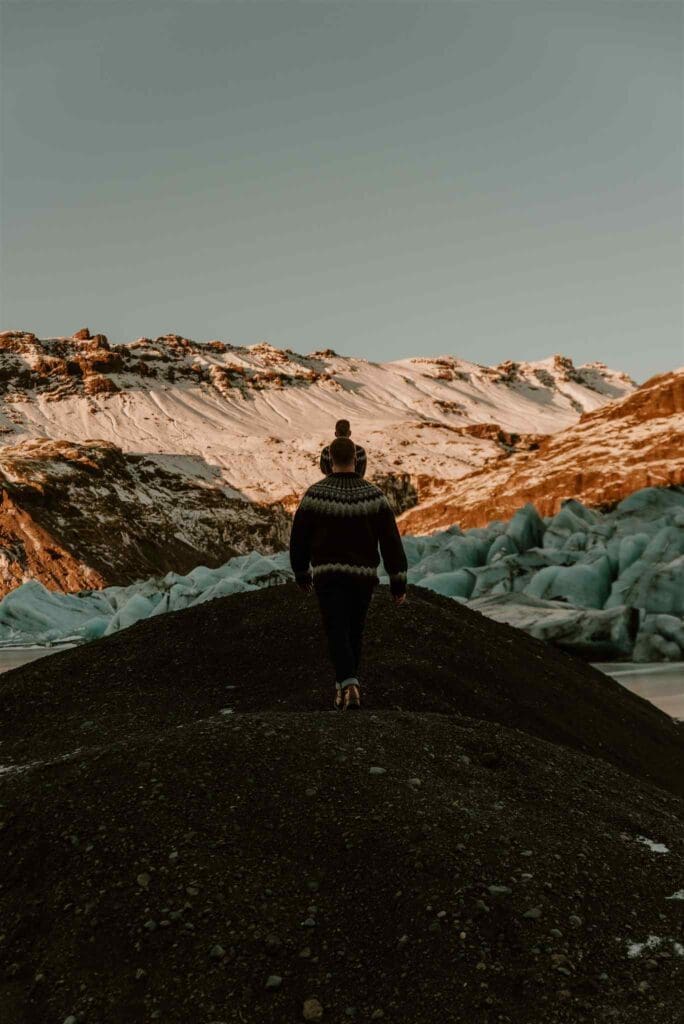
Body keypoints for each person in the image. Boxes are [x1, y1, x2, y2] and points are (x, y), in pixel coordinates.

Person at [290, 435, 407, 711]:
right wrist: (398, 581)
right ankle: (346, 687)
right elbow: (391, 540)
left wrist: (301, 571)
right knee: (355, 630)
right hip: (364, 576)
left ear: (329, 460)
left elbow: (299, 537)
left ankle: (347, 684)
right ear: (356, 459)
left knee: (336, 628)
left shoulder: (315, 494)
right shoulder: (374, 495)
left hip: (328, 574)